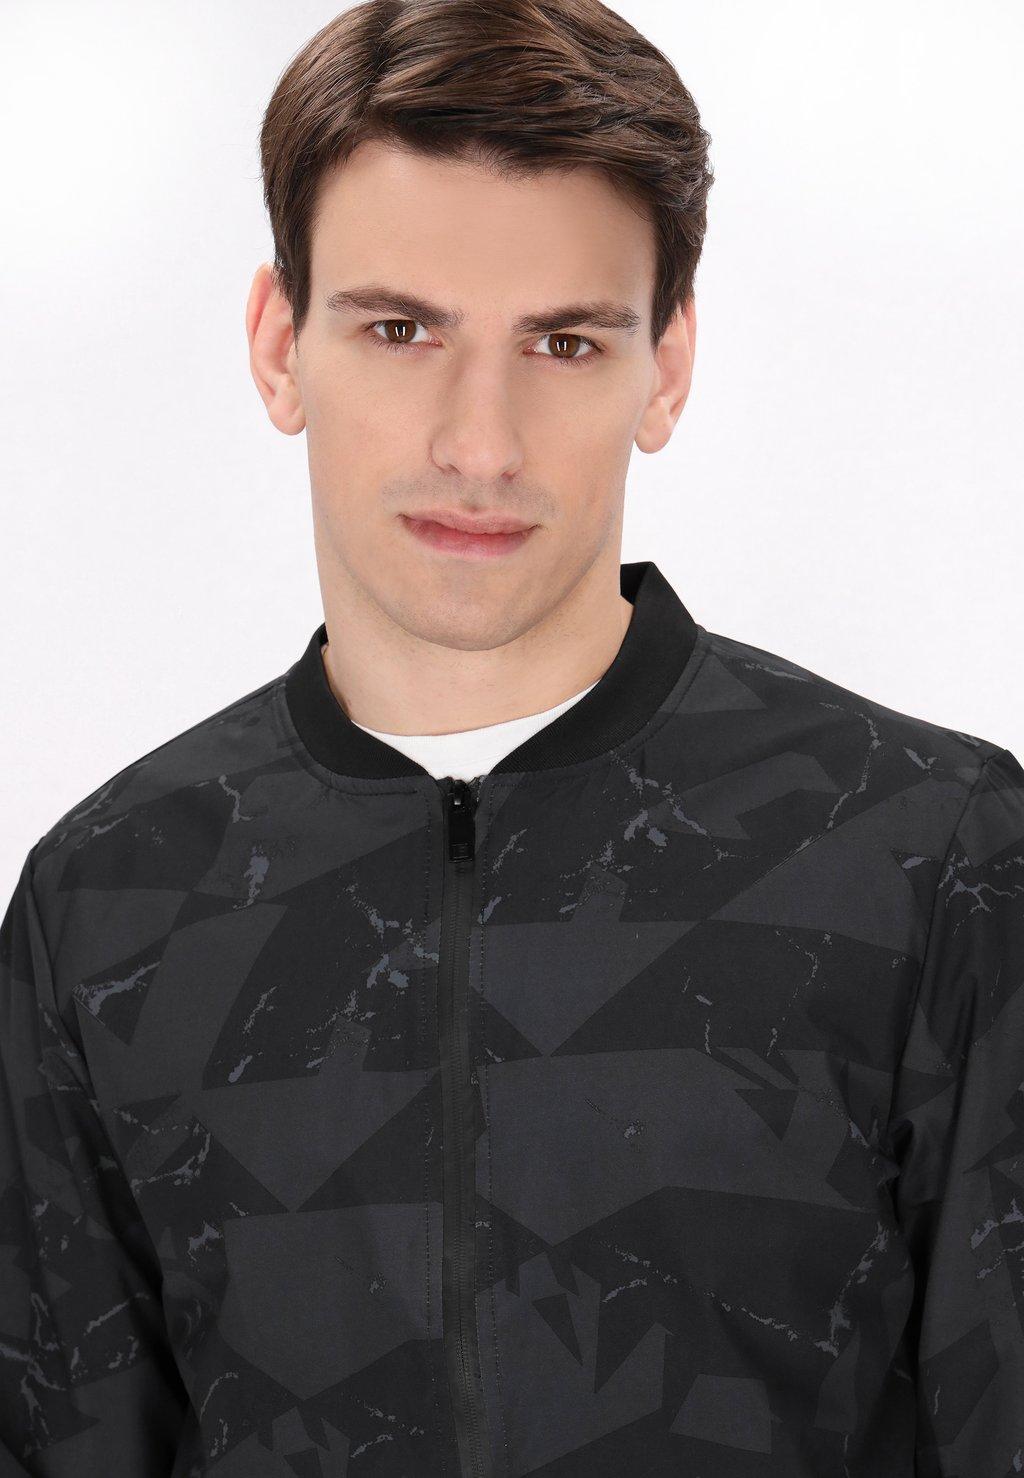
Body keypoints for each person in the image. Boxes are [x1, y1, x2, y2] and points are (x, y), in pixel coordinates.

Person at [2, 0, 1022, 1472]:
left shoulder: (933, 855)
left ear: (665, 366)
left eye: (563, 340)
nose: (479, 443)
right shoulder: (107, 904)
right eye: (400, 328)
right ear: (279, 346)